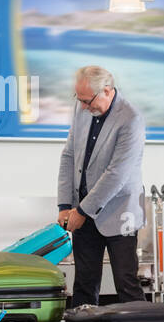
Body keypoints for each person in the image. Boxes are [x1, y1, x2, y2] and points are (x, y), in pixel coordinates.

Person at [56, 65, 147, 308]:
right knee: (84, 283)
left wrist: (82, 211)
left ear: (106, 91)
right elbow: (69, 155)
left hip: (120, 211)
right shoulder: (82, 107)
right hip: (81, 211)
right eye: (80, 100)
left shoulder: (131, 119)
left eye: (88, 101)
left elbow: (116, 174)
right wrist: (65, 205)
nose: (84, 107)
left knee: (126, 282)